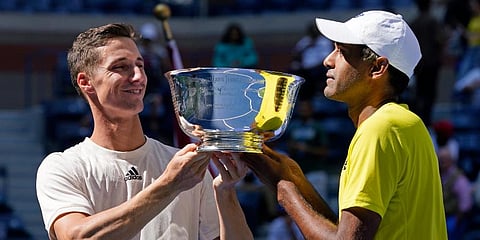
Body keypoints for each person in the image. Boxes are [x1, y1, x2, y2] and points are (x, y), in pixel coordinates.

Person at [241, 10, 448, 239]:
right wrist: (290, 176)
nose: (327, 60)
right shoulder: (403, 124)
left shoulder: (381, 128)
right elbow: (344, 231)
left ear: (377, 67)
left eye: (342, 52)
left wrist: (285, 191)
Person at [35, 23, 253, 240]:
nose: (138, 77)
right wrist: (168, 185)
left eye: (140, 65)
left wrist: (226, 194)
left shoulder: (186, 169)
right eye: (120, 67)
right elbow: (76, 237)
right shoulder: (62, 167)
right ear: (86, 82)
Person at [410, 0, 445, 127]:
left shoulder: (414, 23)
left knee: (420, 93)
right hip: (431, 63)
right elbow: (439, 40)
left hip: (419, 64)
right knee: (430, 93)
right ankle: (427, 120)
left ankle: (420, 118)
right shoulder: (433, 21)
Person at [290, 22, 333, 100]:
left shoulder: (324, 42)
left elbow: (325, 57)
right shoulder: (305, 41)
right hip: (304, 67)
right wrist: (306, 47)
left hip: (318, 67)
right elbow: (296, 54)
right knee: (292, 70)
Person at [437, 145, 473, 239]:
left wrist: (457, 219)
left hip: (454, 217)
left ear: (451, 160)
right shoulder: (437, 175)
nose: (442, 162)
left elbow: (465, 203)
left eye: (444, 159)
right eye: (440, 159)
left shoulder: (458, 178)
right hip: (439, 216)